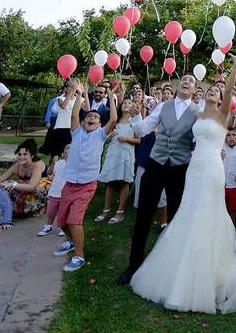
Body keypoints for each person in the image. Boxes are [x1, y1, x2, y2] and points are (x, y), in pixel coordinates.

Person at [131, 49, 236, 321]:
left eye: (216, 92)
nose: (212, 92)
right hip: (193, 168)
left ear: (223, 100)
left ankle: (207, 268)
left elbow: (230, 88)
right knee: (188, 211)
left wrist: (235, 67)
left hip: (211, 169)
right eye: (210, 90)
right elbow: (179, 129)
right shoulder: (197, 116)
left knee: (207, 214)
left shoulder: (223, 115)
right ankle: (181, 266)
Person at [119, 73, 202, 285]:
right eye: (184, 79)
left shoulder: (197, 112)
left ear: (194, 91)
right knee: (143, 216)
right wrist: (137, 116)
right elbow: (144, 129)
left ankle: (172, 267)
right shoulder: (163, 106)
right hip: (155, 164)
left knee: (175, 218)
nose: (186, 81)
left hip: (179, 169)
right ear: (177, 85)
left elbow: (200, 139)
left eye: (191, 81)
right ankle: (134, 265)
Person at [53, 82, 118, 272]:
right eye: (89, 116)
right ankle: (74, 242)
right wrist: (78, 93)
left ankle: (79, 256)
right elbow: (74, 114)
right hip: (70, 183)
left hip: (87, 185)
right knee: (62, 222)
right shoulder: (76, 132)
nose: (92, 117)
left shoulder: (100, 135)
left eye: (96, 117)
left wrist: (112, 97)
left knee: (74, 220)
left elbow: (113, 119)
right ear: (83, 122)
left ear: (99, 125)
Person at [96, 93, 140, 223]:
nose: (126, 105)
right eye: (124, 103)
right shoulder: (115, 121)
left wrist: (126, 139)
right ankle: (106, 210)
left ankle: (120, 212)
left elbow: (138, 140)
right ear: (120, 106)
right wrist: (109, 137)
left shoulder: (135, 122)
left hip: (126, 155)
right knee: (110, 182)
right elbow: (107, 140)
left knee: (124, 182)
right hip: (113, 153)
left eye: (129, 103)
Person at [0, 138, 48, 217]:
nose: (21, 157)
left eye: (25, 154)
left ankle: (44, 206)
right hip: (28, 190)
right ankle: (22, 208)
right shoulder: (17, 165)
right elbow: (1, 179)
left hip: (40, 190)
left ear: (32, 155)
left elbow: (32, 187)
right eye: (19, 154)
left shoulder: (37, 165)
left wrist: (13, 184)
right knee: (6, 187)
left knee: (38, 187)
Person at [40, 80, 85, 158]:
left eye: (74, 87)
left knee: (69, 152)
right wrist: (70, 93)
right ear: (66, 89)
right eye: (71, 87)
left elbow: (87, 108)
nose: (73, 88)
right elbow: (63, 106)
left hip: (72, 128)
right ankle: (53, 167)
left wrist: (85, 94)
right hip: (60, 127)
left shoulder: (78, 99)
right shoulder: (60, 98)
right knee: (56, 153)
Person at [38, 143, 69, 237]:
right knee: (51, 211)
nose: (70, 150)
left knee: (63, 212)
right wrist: (53, 163)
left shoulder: (75, 165)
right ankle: (48, 225)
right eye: (67, 148)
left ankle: (62, 227)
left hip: (66, 193)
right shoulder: (59, 163)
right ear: (63, 154)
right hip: (55, 192)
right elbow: (50, 173)